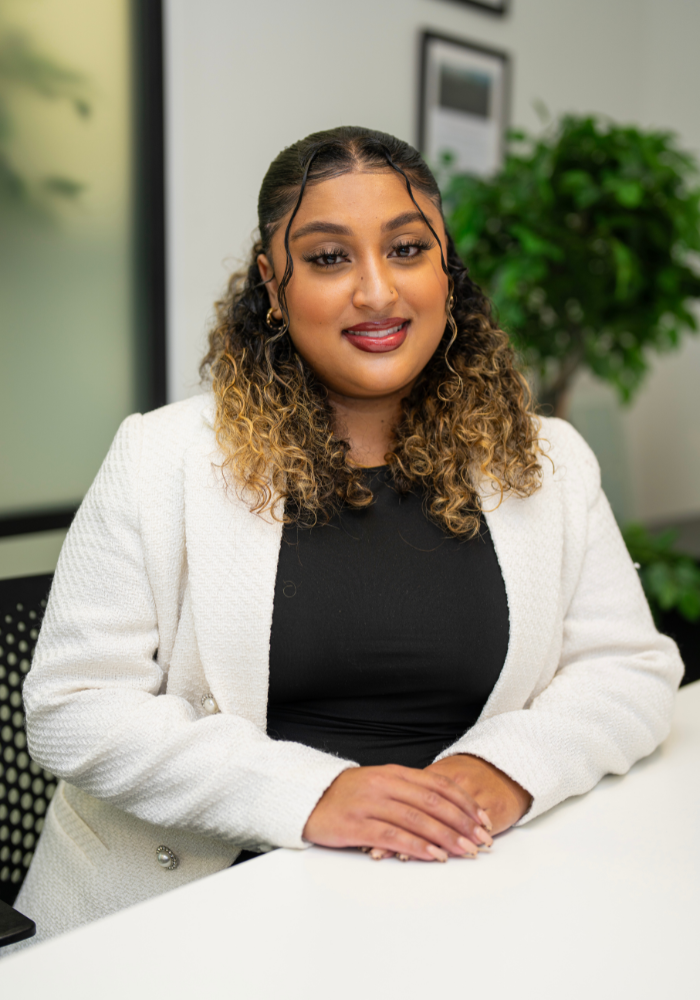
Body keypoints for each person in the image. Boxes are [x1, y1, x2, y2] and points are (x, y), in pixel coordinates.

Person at [11, 127, 683, 946]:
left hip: (467, 894)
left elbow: (630, 668)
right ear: (272, 280)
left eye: (406, 249)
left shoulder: (549, 461)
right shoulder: (161, 457)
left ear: (446, 268)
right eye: (329, 257)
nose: (376, 291)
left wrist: (507, 767)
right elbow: (73, 707)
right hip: (196, 917)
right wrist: (312, 793)